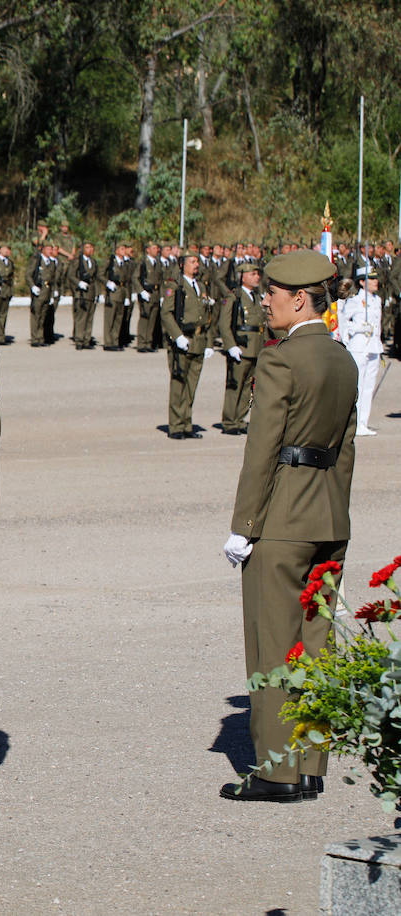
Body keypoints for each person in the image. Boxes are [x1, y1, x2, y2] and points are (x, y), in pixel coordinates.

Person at [221, 249, 357, 803]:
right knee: (317, 643)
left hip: (281, 519)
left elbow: (263, 451)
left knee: (274, 645)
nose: (264, 305)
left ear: (300, 298)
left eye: (271, 296)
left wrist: (244, 525)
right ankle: (312, 763)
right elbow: (344, 453)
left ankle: (278, 772)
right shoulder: (342, 359)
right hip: (327, 513)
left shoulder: (282, 360)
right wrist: (335, 512)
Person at [160, 253, 215, 439]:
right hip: (182, 340)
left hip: (198, 340)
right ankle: (175, 426)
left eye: (197, 261)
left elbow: (208, 316)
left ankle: (186, 423)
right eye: (192, 262)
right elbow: (166, 314)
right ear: (182, 265)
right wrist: (177, 336)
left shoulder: (200, 286)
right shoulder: (175, 286)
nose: (196, 265)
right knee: (179, 384)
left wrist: (209, 342)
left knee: (192, 385)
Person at [218, 259, 264, 436]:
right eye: (252, 274)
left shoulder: (258, 296)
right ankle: (229, 421)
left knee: (249, 387)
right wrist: (230, 345)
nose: (257, 277)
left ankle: (239, 418)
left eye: (257, 274)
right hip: (241, 347)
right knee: (234, 386)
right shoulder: (234, 297)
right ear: (242, 276)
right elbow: (224, 324)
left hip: (256, 348)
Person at [339, 264, 384, 436]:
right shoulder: (354, 300)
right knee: (358, 385)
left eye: (375, 278)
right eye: (371, 279)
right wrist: (357, 328)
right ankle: (354, 423)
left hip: (373, 346)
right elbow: (344, 321)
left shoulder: (377, 300)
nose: (375, 281)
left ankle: (363, 422)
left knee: (369, 386)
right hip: (359, 346)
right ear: (363, 283)